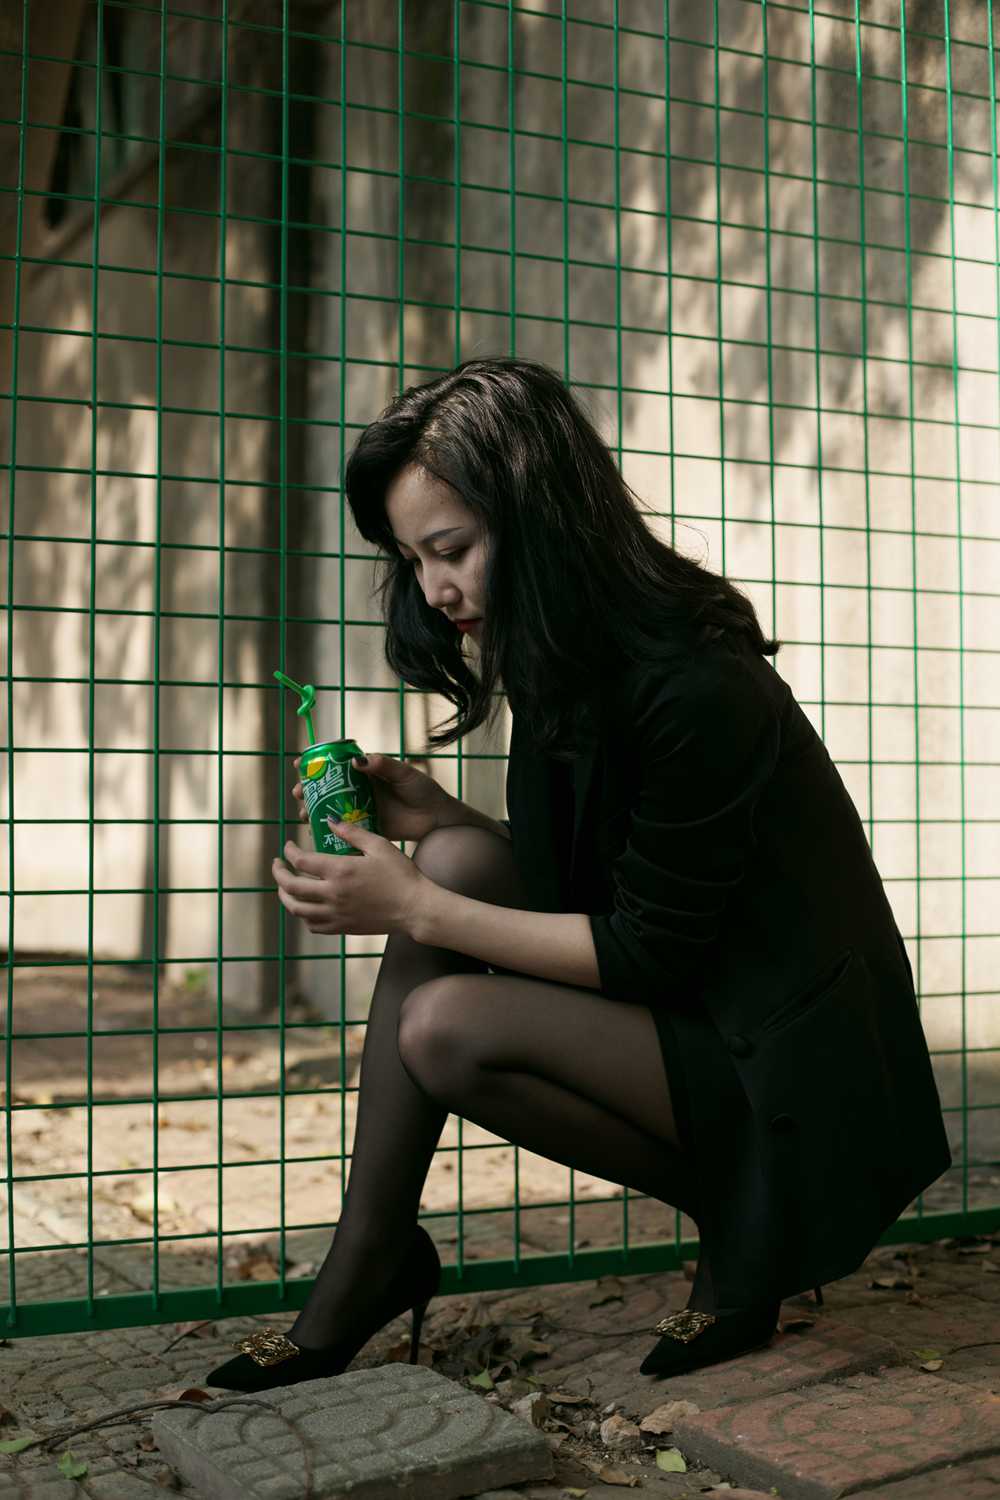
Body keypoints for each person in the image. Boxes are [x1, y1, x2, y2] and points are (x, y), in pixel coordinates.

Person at [206, 355, 950, 1393]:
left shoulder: (695, 682)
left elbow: (646, 948)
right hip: (699, 1010)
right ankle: (372, 1250)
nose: (435, 590)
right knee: (459, 854)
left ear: (540, 517)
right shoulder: (563, 657)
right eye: (414, 561)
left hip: (789, 1066)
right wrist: (441, 821)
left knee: (443, 1024)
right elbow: (595, 885)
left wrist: (415, 905)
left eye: (452, 550)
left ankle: (751, 1215)